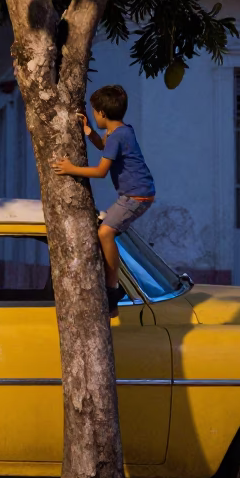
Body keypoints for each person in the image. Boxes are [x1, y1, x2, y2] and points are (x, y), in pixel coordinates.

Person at [51, 84, 155, 310]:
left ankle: (112, 288)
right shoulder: (121, 131)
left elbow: (100, 171)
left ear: (103, 113)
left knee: (105, 232)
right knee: (107, 230)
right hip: (138, 193)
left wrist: (70, 169)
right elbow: (104, 146)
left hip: (135, 196)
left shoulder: (118, 136)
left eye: (94, 112)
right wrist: (89, 132)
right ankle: (113, 290)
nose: (94, 115)